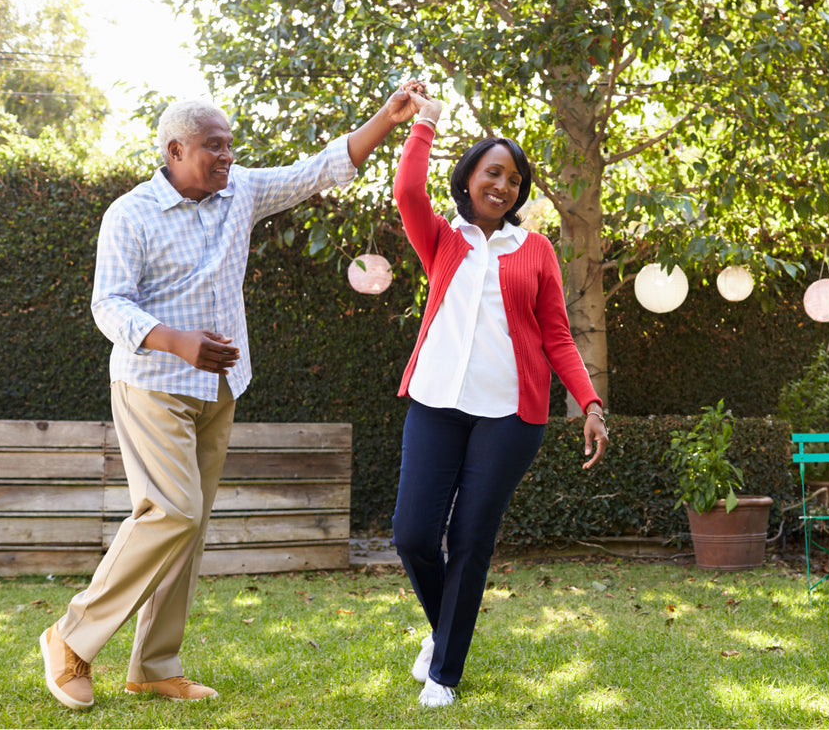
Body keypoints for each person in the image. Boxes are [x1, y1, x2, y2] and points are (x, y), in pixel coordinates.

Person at [39, 85, 423, 710]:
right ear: (175, 150)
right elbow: (108, 305)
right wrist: (176, 342)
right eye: (214, 148)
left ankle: (155, 665)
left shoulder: (238, 190)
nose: (227, 157)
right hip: (153, 383)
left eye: (230, 146)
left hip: (219, 387)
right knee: (172, 511)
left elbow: (317, 169)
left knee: (186, 531)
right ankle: (70, 636)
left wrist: (388, 116)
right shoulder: (130, 214)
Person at [390, 87, 609, 708]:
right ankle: (445, 633)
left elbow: (558, 337)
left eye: (514, 179)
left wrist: (589, 404)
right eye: (493, 172)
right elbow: (408, 192)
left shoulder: (534, 249)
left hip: (510, 415)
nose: (504, 186)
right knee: (411, 534)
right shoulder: (443, 239)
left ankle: (445, 673)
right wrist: (425, 124)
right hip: (436, 401)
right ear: (470, 179)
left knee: (470, 540)